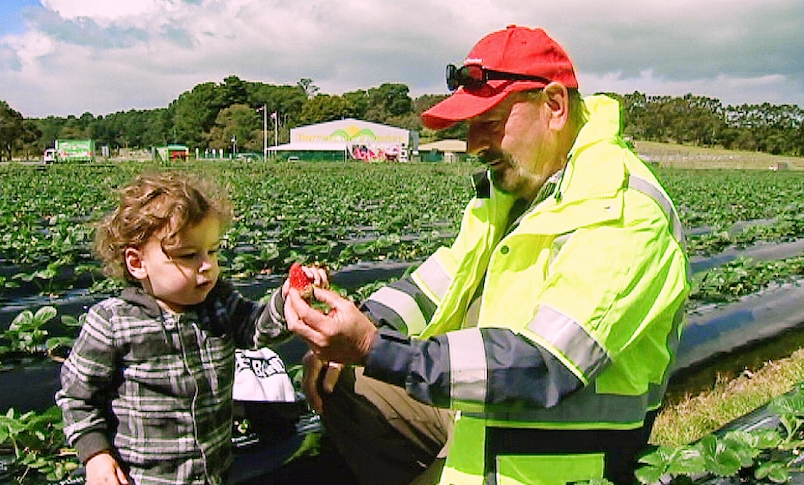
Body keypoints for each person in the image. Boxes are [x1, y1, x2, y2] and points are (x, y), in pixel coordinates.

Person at [286, 25, 691, 485]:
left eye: (490, 123)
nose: (474, 144)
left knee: (372, 365)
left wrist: (372, 347)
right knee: (345, 382)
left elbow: (542, 365)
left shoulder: (622, 209)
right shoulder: (516, 191)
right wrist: (358, 322)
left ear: (554, 107)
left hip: (555, 460)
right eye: (470, 126)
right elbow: (435, 283)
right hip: (487, 416)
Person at [55, 172, 327, 485]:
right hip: (144, 479)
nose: (207, 265)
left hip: (215, 474)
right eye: (188, 255)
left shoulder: (219, 303)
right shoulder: (112, 323)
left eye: (212, 251)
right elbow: (77, 398)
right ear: (136, 262)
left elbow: (258, 328)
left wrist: (288, 299)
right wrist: (96, 455)